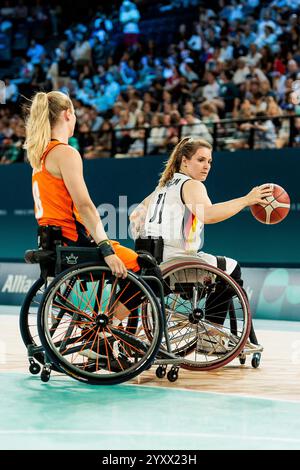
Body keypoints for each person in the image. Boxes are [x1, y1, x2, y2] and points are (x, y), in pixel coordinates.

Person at [23, 91, 148, 370]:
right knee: (146, 269)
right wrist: (105, 248)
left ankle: (106, 340)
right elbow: (85, 205)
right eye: (75, 113)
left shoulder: (40, 155)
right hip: (74, 243)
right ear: (68, 114)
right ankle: (102, 338)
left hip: (54, 242)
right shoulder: (65, 153)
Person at [130, 136, 273, 348]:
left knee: (221, 266)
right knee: (232, 269)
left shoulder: (163, 187)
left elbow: (135, 216)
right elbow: (210, 215)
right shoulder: (191, 184)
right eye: (201, 160)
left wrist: (146, 232)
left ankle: (211, 332)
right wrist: (246, 200)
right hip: (179, 263)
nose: (206, 166)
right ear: (184, 161)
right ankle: (210, 336)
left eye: (209, 161)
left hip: (154, 261)